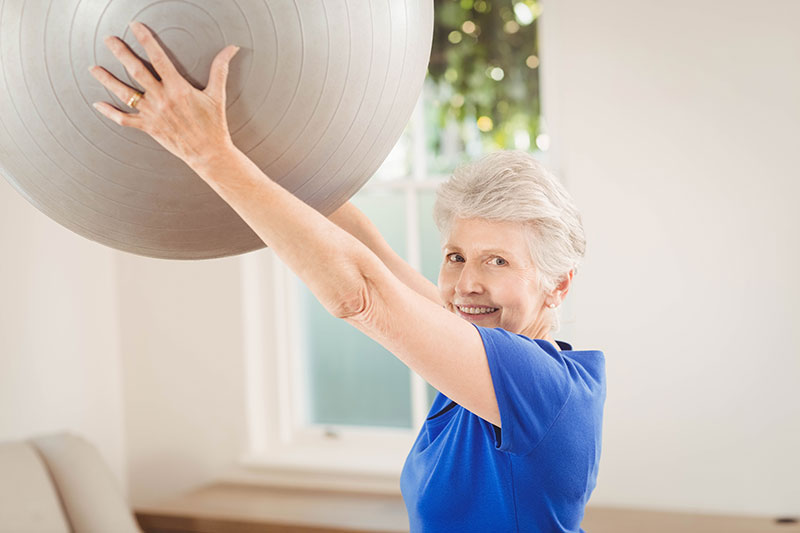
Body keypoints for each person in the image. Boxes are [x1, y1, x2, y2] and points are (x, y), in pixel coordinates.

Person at [89, 23, 606, 532]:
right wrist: (250, 137)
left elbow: (363, 295)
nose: (466, 283)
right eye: (454, 256)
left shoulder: (536, 383)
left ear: (558, 284)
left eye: (498, 261)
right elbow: (372, 252)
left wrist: (209, 153)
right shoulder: (484, 348)